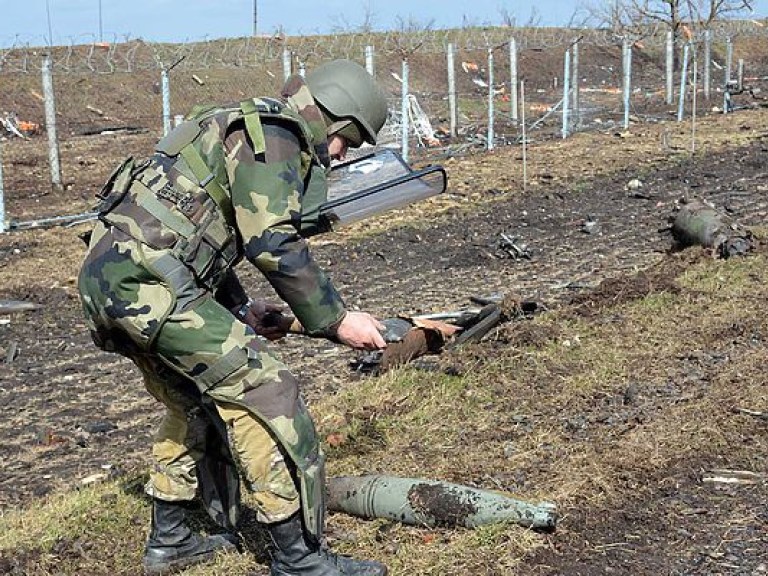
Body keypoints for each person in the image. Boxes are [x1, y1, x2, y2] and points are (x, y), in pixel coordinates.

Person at [77, 59, 390, 576]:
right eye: (347, 143)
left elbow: (195, 230)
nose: (339, 156)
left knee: (194, 399)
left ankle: (170, 541)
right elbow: (271, 243)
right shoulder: (277, 134)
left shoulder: (237, 120)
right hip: (150, 285)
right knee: (266, 390)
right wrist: (336, 319)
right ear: (336, 120)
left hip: (113, 278)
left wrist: (241, 308)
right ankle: (298, 559)